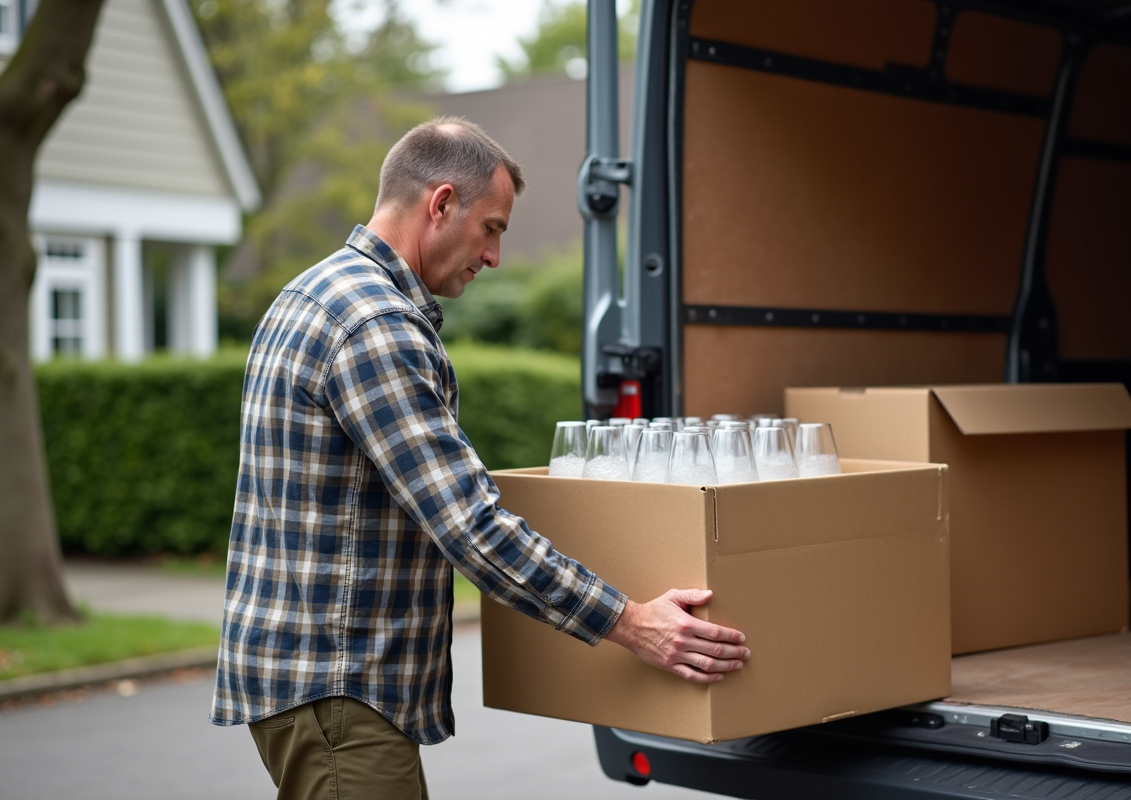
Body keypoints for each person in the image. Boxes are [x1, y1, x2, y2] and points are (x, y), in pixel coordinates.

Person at [209, 116, 750, 799]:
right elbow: (471, 527)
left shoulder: (310, 292)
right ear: (440, 204)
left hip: (311, 681)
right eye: (491, 228)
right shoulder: (375, 326)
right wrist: (633, 622)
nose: (494, 257)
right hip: (340, 690)